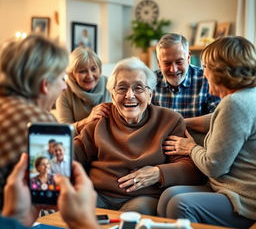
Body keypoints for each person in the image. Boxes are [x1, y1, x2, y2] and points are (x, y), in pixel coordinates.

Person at [74, 57, 204, 215]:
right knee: (76, 210)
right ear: (113, 95)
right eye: (122, 88)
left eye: (138, 88)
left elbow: (191, 169)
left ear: (150, 94)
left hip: (143, 197)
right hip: (99, 194)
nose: (130, 95)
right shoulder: (101, 120)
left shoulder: (169, 121)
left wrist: (158, 173)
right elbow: (73, 153)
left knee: (131, 218)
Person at [157, 36, 256, 228]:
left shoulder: (234, 103)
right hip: (227, 187)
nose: (203, 73)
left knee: (181, 204)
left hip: (242, 197)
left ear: (221, 71)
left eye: (205, 67)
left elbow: (214, 167)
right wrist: (181, 122)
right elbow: (217, 121)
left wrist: (189, 147)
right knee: (168, 194)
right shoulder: (246, 96)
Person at [0, 34, 68, 208]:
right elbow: (55, 200)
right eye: (62, 78)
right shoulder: (39, 122)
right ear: (45, 85)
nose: (64, 86)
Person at [1, 153, 99, 229]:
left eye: (47, 164)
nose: (47, 166)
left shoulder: (54, 178)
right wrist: (83, 223)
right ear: (38, 167)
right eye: (43, 165)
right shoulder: (33, 180)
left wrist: (16, 218)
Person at [153, 33, 220, 134]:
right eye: (167, 63)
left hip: (196, 143)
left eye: (179, 62)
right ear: (158, 62)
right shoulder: (149, 82)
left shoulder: (207, 79)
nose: (173, 69)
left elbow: (219, 119)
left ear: (188, 58)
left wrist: (178, 123)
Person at [55, 46, 111, 135]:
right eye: (82, 71)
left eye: (93, 69)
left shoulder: (111, 85)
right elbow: (64, 131)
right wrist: (87, 120)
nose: (89, 76)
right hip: (79, 143)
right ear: (72, 74)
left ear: (99, 70)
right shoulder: (64, 91)